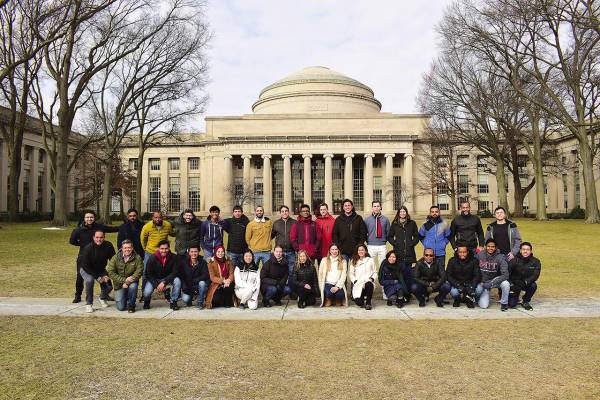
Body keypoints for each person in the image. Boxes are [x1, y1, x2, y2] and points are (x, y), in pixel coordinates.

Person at [69, 209, 118, 303]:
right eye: (87, 217)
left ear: (94, 218)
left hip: (99, 255)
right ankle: (78, 295)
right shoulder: (78, 230)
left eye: (91, 217)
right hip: (84, 256)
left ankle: (105, 294)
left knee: (102, 272)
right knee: (80, 276)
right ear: (84, 218)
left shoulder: (99, 227)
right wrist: (82, 245)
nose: (89, 219)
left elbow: (111, 229)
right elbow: (72, 241)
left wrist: (122, 227)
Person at [78, 230, 116, 313]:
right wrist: (98, 277)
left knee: (109, 286)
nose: (99, 239)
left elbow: (113, 261)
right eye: (97, 237)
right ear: (93, 238)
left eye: (101, 237)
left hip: (100, 269)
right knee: (90, 281)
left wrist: (107, 274)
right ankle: (89, 304)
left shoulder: (108, 245)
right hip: (86, 269)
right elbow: (85, 265)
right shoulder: (88, 248)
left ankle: (102, 298)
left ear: (104, 237)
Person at [387, 206, 419, 299]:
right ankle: (401, 293)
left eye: (404, 211)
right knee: (400, 276)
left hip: (409, 254)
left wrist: (411, 244)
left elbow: (416, 236)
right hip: (399, 253)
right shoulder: (395, 224)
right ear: (398, 213)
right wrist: (395, 243)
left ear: (406, 213)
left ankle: (408, 294)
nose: (402, 213)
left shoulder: (412, 223)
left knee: (408, 275)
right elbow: (390, 236)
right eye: (401, 212)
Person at [142, 239, 181, 310]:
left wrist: (164, 282)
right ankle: (146, 301)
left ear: (169, 248)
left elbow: (175, 272)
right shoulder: (152, 258)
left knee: (177, 280)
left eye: (166, 248)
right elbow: (148, 274)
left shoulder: (174, 257)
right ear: (159, 249)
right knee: (147, 293)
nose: (164, 250)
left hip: (168, 279)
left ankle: (173, 301)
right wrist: (156, 285)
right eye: (162, 249)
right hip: (155, 279)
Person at [106, 239, 143, 313]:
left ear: (132, 248)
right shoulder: (115, 258)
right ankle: (125, 296)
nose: (127, 249)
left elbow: (139, 272)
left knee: (133, 286)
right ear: (122, 249)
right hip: (119, 284)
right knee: (121, 307)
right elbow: (111, 272)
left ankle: (131, 306)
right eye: (125, 248)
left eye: (129, 247)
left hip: (132, 282)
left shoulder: (137, 258)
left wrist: (128, 282)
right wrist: (124, 281)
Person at [476, 238, 510, 311]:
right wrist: (480, 281)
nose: (490, 248)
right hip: (483, 283)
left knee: (506, 283)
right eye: (488, 246)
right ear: (485, 246)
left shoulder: (500, 257)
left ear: (495, 247)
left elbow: (506, 275)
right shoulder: (479, 255)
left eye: (492, 247)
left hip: (494, 281)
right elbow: (474, 269)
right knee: (484, 306)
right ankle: (476, 298)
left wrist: (492, 283)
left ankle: (504, 303)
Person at [508, 242, 541, 310]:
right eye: (523, 249)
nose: (525, 251)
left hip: (526, 284)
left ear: (531, 251)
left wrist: (525, 282)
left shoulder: (536, 261)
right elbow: (507, 274)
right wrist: (513, 285)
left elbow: (535, 275)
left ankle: (525, 300)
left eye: (527, 249)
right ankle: (516, 296)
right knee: (512, 305)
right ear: (520, 251)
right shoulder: (514, 260)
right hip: (515, 285)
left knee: (533, 285)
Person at [418, 205, 451, 269]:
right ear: (430, 213)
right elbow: (421, 236)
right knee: (428, 272)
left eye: (436, 211)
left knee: (441, 271)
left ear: (439, 212)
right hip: (428, 254)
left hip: (440, 253)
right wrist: (426, 243)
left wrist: (443, 244)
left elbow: (448, 236)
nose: (434, 213)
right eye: (432, 212)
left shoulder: (444, 223)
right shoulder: (425, 223)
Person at [178, 244, 210, 309]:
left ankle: (200, 302)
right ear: (189, 253)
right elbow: (181, 276)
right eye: (192, 252)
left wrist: (194, 280)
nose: (194, 253)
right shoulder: (184, 262)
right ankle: (190, 300)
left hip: (198, 286)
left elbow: (206, 275)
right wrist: (185, 288)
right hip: (188, 287)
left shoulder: (202, 262)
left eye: (195, 251)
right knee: (185, 299)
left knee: (202, 283)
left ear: (198, 252)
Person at [348, 244, 378, 310]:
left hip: (368, 283)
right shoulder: (354, 261)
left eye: (362, 250)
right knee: (358, 302)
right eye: (359, 250)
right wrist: (354, 281)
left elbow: (375, 272)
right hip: (358, 284)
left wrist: (372, 278)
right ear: (357, 251)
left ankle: (368, 302)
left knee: (369, 284)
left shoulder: (370, 260)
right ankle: (362, 301)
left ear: (365, 251)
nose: (361, 251)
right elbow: (351, 273)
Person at [272, 205, 297, 275]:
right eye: (282, 211)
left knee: (291, 271)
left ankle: (290, 285)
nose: (284, 213)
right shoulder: (276, 223)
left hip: (291, 251)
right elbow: (271, 236)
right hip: (280, 252)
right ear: (280, 213)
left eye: (286, 211)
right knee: (279, 271)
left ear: (288, 212)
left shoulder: (294, 222)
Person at [364, 201, 391, 267]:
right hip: (371, 246)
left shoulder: (385, 219)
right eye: (374, 206)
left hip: (382, 246)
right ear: (372, 208)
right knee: (370, 265)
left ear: (381, 207)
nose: (376, 208)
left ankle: (381, 277)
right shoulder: (367, 220)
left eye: (378, 206)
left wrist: (384, 241)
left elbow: (388, 233)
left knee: (383, 265)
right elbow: (364, 233)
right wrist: (368, 241)